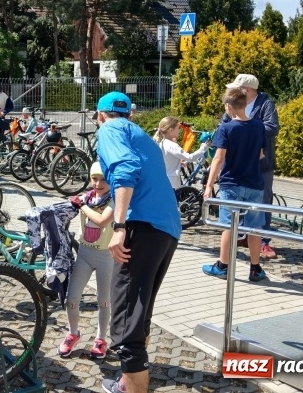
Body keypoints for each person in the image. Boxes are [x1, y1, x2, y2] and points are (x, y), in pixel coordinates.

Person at [94, 92, 181, 393]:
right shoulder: (140, 134)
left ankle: (132, 389)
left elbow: (125, 170)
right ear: (129, 114)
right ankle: (129, 381)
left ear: (100, 115)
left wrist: (118, 226)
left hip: (142, 226)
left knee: (126, 315)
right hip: (167, 228)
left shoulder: (109, 129)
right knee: (140, 308)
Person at [202, 86, 268, 282]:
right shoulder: (258, 126)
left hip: (232, 183)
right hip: (255, 182)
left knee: (229, 226)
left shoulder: (226, 128)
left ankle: (223, 266)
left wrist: (208, 185)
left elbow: (218, 158)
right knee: (254, 227)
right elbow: (261, 154)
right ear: (245, 104)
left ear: (228, 106)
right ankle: (255, 268)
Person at [58, 162, 115, 360]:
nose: (98, 183)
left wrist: (80, 205)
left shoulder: (113, 200)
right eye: (94, 179)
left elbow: (101, 221)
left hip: (106, 257)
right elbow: (67, 205)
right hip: (84, 253)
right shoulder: (88, 197)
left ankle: (100, 339)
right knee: (72, 299)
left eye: (103, 179)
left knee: (103, 301)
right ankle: (73, 333)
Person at [222, 73, 279, 259]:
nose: (233, 91)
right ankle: (242, 235)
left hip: (261, 164)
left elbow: (273, 126)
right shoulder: (234, 104)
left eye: (237, 88)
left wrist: (249, 128)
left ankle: (264, 242)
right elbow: (224, 124)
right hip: (238, 163)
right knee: (238, 201)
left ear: (247, 90)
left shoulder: (265, 104)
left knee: (262, 202)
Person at [153, 116, 208, 189]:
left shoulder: (162, 143)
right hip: (172, 182)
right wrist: (204, 147)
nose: (179, 130)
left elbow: (167, 160)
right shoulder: (172, 145)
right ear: (171, 130)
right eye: (178, 128)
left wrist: (177, 163)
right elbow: (190, 157)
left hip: (165, 179)